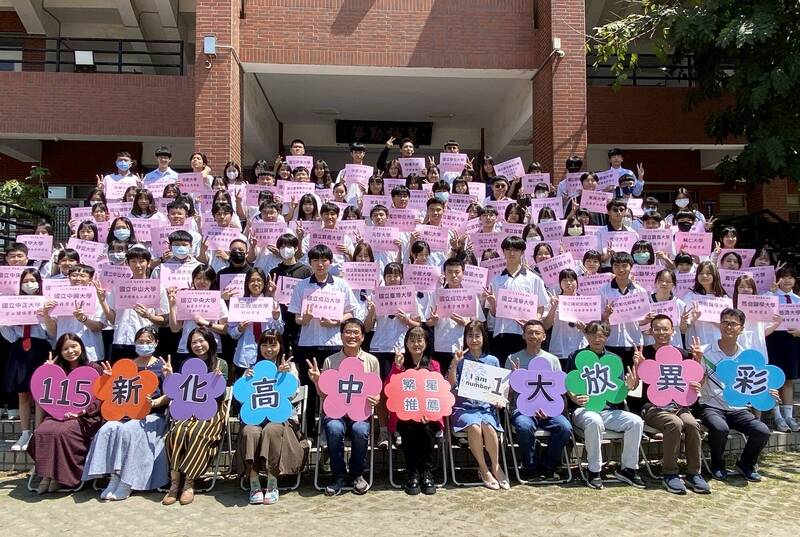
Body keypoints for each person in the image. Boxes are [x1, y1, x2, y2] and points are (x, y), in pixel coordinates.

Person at [82, 327, 170, 500]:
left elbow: (170, 395)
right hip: (124, 415)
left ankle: (126, 482)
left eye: (148, 342)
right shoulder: (126, 365)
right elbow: (112, 393)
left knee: (129, 429)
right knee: (109, 428)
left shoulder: (162, 366)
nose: (144, 345)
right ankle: (113, 477)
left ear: (156, 343)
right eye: (140, 341)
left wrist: (162, 388)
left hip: (151, 416)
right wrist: (107, 379)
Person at [289, 244, 359, 436]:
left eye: (324, 260)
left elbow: (351, 312)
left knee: (336, 387)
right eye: (316, 260)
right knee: (309, 387)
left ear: (330, 262)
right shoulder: (302, 285)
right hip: (308, 344)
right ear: (310, 263)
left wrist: (337, 321)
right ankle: (309, 431)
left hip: (333, 344)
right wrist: (305, 319)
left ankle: (336, 429)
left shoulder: (340, 284)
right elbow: (296, 318)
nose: (320, 264)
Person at [697, 308, 774, 482]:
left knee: (762, 430)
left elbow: (755, 386)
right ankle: (717, 464)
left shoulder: (746, 356)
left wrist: (768, 393)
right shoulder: (704, 351)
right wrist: (696, 360)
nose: (728, 327)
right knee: (720, 428)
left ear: (741, 328)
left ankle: (746, 464)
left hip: (739, 409)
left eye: (733, 324)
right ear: (719, 325)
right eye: (725, 322)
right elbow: (696, 383)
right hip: (711, 406)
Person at [566, 320, 644, 489]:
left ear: (607, 337)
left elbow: (619, 391)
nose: (596, 339)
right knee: (595, 421)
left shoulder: (614, 359)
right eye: (592, 335)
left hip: (609, 411)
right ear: (586, 336)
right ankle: (594, 471)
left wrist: (629, 386)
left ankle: (628, 469)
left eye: (601, 335)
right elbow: (568, 384)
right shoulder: (575, 356)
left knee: (636, 421)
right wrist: (574, 398)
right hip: (583, 409)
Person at [306, 318, 379, 496]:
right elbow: (324, 396)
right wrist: (316, 380)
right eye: (348, 332)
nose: (352, 336)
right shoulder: (330, 361)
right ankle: (337, 474)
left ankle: (357, 474)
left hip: (360, 412)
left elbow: (376, 390)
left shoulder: (371, 361)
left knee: (361, 430)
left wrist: (376, 399)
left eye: (356, 332)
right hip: (335, 413)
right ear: (341, 335)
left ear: (363, 337)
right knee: (333, 428)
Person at [640, 315, 711, 494]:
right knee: (674, 423)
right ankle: (670, 474)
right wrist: (638, 366)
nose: (661, 333)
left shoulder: (684, 354)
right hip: (652, 407)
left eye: (665, 329)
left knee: (692, 424)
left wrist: (698, 361)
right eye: (657, 329)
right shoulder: (643, 353)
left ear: (672, 331)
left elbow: (697, 383)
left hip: (679, 406)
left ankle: (694, 474)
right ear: (650, 331)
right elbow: (633, 386)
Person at [27, 334, 104, 493]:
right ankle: (46, 475)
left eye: (73, 346)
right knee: (43, 431)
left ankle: (60, 478)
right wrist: (46, 372)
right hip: (58, 416)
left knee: (62, 432)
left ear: (81, 346)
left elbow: (102, 398)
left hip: (86, 417)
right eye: (65, 349)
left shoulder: (94, 368)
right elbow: (44, 397)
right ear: (60, 352)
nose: (70, 351)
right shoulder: (58, 370)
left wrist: (83, 412)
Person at [162, 327, 229, 506]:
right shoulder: (186, 363)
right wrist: (168, 377)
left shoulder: (220, 363)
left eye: (201, 341)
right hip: (187, 408)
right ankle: (174, 483)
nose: (198, 345)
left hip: (212, 410)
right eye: (194, 342)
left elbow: (221, 395)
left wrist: (218, 381)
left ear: (210, 342)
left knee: (197, 432)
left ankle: (189, 483)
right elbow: (177, 391)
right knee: (177, 432)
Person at [237, 330, 306, 505]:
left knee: (272, 430)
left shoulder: (289, 367)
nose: (269, 349)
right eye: (265, 344)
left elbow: (293, 393)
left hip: (280, 419)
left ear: (280, 346)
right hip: (256, 418)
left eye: (273, 344)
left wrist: (283, 376)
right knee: (250, 431)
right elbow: (243, 396)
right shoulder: (252, 370)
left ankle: (272, 482)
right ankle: (254, 482)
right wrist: (245, 380)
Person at [506, 320, 572, 481]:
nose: (533, 336)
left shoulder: (552, 360)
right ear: (523, 336)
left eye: (537, 333)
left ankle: (549, 465)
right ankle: (531, 467)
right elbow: (506, 393)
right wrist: (515, 378)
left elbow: (558, 389)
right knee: (524, 426)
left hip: (549, 409)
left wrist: (549, 410)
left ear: (544, 336)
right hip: (522, 409)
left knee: (565, 427)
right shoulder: (513, 358)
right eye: (530, 332)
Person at [447, 320, 508, 490]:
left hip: (486, 409)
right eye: (470, 336)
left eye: (477, 336)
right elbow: (449, 386)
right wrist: (454, 364)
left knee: (488, 426)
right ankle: (483, 469)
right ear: (465, 338)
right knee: (474, 426)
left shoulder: (493, 360)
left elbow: (500, 391)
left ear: (483, 337)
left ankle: (496, 467)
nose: (474, 340)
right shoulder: (460, 359)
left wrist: (499, 400)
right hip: (463, 409)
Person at [384, 326, 442, 495]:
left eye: (419, 340)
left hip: (429, 416)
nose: (416, 344)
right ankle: (412, 472)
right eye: (412, 340)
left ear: (426, 343)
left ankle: (426, 471)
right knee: (409, 427)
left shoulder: (434, 365)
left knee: (425, 428)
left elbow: (439, 392)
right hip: (405, 416)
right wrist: (396, 368)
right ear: (406, 343)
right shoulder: (401, 364)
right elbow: (388, 389)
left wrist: (429, 413)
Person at [2, 268, 54, 451]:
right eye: (25, 281)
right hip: (20, 348)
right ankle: (25, 432)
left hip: (40, 348)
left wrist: (46, 314)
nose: (29, 284)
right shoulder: (13, 303)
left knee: (39, 392)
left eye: (33, 280)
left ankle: (38, 432)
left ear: (39, 283)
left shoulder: (47, 302)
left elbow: (52, 333)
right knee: (22, 393)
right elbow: (10, 336)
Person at [485, 236, 548, 367]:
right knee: (504, 372)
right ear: (503, 252)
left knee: (526, 372)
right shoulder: (496, 280)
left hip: (525, 335)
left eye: (516, 250)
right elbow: (494, 313)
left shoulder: (534, 279)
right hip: (502, 334)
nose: (512, 253)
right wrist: (492, 303)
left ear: (522, 252)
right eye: (508, 249)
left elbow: (541, 307)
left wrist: (531, 323)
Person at [766, 266, 800, 431]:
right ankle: (777, 416)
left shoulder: (798, 300)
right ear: (778, 279)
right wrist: (771, 293)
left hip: (792, 341)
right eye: (783, 277)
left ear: (795, 280)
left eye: (790, 277)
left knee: (789, 379)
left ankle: (789, 416)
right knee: (774, 377)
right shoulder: (770, 296)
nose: (787, 280)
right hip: (774, 340)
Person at [599, 252, 646, 367]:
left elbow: (643, 321)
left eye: (624, 266)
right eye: (616, 266)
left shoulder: (640, 291)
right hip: (611, 342)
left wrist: (648, 319)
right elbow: (599, 320)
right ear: (612, 268)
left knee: (634, 375)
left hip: (634, 342)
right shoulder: (603, 291)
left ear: (631, 267)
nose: (620, 270)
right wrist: (606, 315)